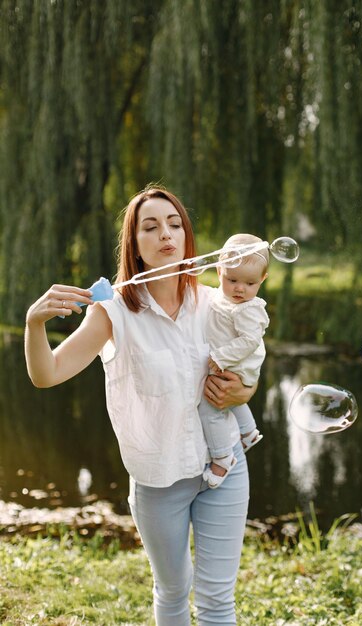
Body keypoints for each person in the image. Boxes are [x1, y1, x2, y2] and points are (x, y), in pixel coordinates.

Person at [24, 185, 257, 626]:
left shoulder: (216, 304)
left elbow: (245, 371)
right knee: (173, 590)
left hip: (224, 466)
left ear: (187, 238)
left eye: (174, 224)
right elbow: (47, 374)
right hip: (159, 478)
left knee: (217, 600)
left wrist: (244, 391)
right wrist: (35, 324)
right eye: (150, 227)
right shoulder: (112, 311)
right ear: (134, 245)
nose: (165, 234)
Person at [200, 234, 269, 488]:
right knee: (229, 397)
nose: (240, 289)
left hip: (238, 363)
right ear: (219, 272)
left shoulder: (248, 309)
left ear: (262, 279)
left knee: (211, 406)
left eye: (250, 283)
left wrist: (220, 356)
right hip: (234, 364)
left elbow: (250, 341)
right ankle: (248, 432)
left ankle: (222, 458)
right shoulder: (221, 297)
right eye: (232, 280)